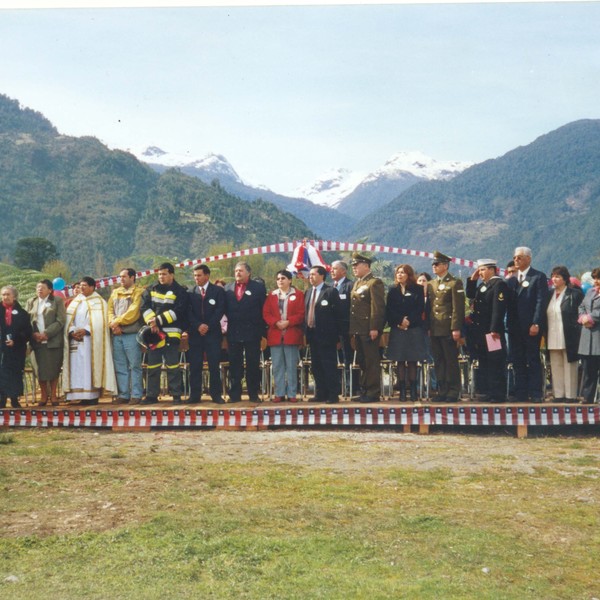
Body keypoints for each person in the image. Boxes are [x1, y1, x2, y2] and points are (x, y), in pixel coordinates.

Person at [140, 262, 189, 405]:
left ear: (172, 275)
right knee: (153, 366)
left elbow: (179, 311)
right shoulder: (151, 289)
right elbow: (144, 307)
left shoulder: (180, 291)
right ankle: (151, 396)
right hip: (153, 334)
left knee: (173, 366)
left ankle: (176, 395)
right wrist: (151, 322)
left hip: (172, 334)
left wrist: (158, 321)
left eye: (164, 274)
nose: (161, 277)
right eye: (159, 274)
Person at [63, 277, 116, 405]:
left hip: (90, 341)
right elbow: (68, 319)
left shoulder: (99, 302)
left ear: (92, 287)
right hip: (75, 339)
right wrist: (72, 331)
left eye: (85, 285)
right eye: (80, 285)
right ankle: (77, 394)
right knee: (76, 367)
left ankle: (91, 396)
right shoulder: (75, 301)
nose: (81, 288)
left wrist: (87, 330)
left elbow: (101, 323)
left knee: (89, 366)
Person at [506, 247, 548, 402]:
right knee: (518, 360)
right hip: (514, 328)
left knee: (532, 359)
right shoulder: (511, 280)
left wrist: (536, 323)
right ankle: (521, 392)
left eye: (519, 257)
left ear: (528, 259)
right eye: (514, 257)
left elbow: (540, 302)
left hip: (530, 327)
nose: (516, 260)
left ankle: (535, 392)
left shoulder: (538, 277)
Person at [466, 259, 508, 403]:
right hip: (481, 331)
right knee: (484, 361)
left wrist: (494, 328)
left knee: (495, 362)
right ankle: (488, 391)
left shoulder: (498, 284)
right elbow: (470, 295)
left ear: (492, 269)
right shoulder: (483, 285)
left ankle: (498, 393)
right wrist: (472, 280)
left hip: (492, 331)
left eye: (483, 270)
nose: (480, 273)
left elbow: (498, 308)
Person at [224, 261, 267, 403]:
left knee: (252, 365)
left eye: (241, 271)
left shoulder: (258, 288)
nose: (237, 273)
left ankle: (253, 394)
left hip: (252, 332)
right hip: (233, 333)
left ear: (248, 273)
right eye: (236, 270)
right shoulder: (227, 288)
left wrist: (262, 333)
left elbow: (263, 311)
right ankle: (234, 395)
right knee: (234, 365)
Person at [427, 250, 466, 402]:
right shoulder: (431, 284)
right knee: (439, 361)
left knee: (450, 361)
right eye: (433, 264)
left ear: (445, 265)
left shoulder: (454, 283)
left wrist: (456, 328)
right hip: (435, 327)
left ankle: (453, 390)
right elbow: (429, 307)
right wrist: (429, 326)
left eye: (437, 264)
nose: (434, 267)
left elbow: (458, 308)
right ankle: (442, 390)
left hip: (448, 327)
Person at [386, 264, 427, 401]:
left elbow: (420, 307)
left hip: (414, 328)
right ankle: (402, 390)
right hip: (398, 329)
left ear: (409, 274)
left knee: (412, 361)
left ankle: (413, 390)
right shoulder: (392, 290)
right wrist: (399, 321)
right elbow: (389, 310)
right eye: (398, 272)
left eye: (403, 272)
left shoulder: (418, 289)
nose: (400, 275)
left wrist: (408, 321)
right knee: (400, 360)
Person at [186, 264, 226, 404]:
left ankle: (216, 395)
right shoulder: (190, 292)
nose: (196, 278)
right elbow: (188, 312)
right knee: (195, 366)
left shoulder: (217, 291)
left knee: (214, 366)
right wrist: (198, 326)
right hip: (196, 334)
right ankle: (195, 395)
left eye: (199, 275)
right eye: (195, 275)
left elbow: (220, 310)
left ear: (207, 276)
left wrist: (208, 325)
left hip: (213, 333)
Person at [263, 270, 304, 402]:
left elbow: (301, 313)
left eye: (283, 278)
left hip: (291, 334)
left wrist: (288, 322)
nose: (280, 280)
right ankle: (279, 393)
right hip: (275, 335)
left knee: (291, 366)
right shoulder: (271, 295)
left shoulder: (298, 295)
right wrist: (276, 323)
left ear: (290, 280)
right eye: (278, 278)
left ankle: (292, 394)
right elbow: (266, 313)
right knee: (278, 366)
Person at [349, 253, 386, 403]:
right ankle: (364, 389)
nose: (354, 268)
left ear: (366, 265)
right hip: (358, 329)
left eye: (356, 265)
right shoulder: (357, 283)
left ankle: (373, 392)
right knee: (363, 361)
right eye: (353, 266)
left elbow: (377, 308)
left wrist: (375, 327)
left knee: (371, 361)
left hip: (368, 328)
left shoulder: (374, 283)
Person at [544, 265, 584, 402]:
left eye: (558, 276)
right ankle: (558, 394)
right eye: (553, 276)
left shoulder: (574, 294)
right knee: (555, 365)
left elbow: (580, 314)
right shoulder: (549, 294)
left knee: (570, 365)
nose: (554, 279)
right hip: (552, 334)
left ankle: (571, 395)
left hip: (569, 335)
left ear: (565, 279)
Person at [26, 279, 66, 407]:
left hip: (52, 340)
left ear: (50, 290)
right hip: (36, 341)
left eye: (42, 287)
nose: (39, 289)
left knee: (53, 369)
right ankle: (43, 395)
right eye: (37, 287)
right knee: (39, 370)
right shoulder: (31, 301)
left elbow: (61, 321)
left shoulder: (57, 301)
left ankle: (53, 396)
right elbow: (26, 321)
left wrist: (46, 334)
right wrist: (33, 334)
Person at [305, 265, 341, 404]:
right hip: (312, 334)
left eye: (313, 274)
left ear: (322, 276)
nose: (310, 277)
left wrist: (338, 337)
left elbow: (338, 315)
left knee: (329, 366)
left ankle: (333, 394)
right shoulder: (308, 292)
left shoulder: (330, 291)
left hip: (327, 336)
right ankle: (320, 393)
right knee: (316, 366)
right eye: (310, 274)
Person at [108, 268, 144, 405]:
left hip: (131, 333)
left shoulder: (139, 292)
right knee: (120, 365)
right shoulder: (115, 292)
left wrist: (117, 322)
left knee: (134, 365)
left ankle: (136, 394)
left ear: (133, 277)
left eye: (124, 277)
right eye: (120, 277)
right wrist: (112, 323)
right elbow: (110, 310)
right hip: (116, 334)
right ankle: (123, 394)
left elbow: (133, 313)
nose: (121, 279)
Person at [0, 286, 33, 409]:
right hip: (1, 350)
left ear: (14, 296)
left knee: (15, 373)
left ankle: (14, 399)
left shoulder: (23, 313)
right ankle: (1, 399)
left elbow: (27, 332)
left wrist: (16, 340)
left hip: (16, 350)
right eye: (3, 294)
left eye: (8, 294)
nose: (5, 297)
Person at [331, 260, 354, 394]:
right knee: (335, 360)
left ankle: (350, 386)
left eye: (335, 268)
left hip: (346, 331)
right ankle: (338, 386)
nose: (332, 271)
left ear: (344, 271)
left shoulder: (350, 286)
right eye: (331, 269)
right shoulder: (330, 287)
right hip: (333, 331)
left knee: (347, 359)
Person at [578, 268, 600, 404]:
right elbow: (581, 306)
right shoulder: (590, 292)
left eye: (598, 278)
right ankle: (588, 397)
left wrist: (590, 318)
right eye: (595, 278)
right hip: (588, 336)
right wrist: (583, 318)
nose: (596, 281)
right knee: (588, 369)